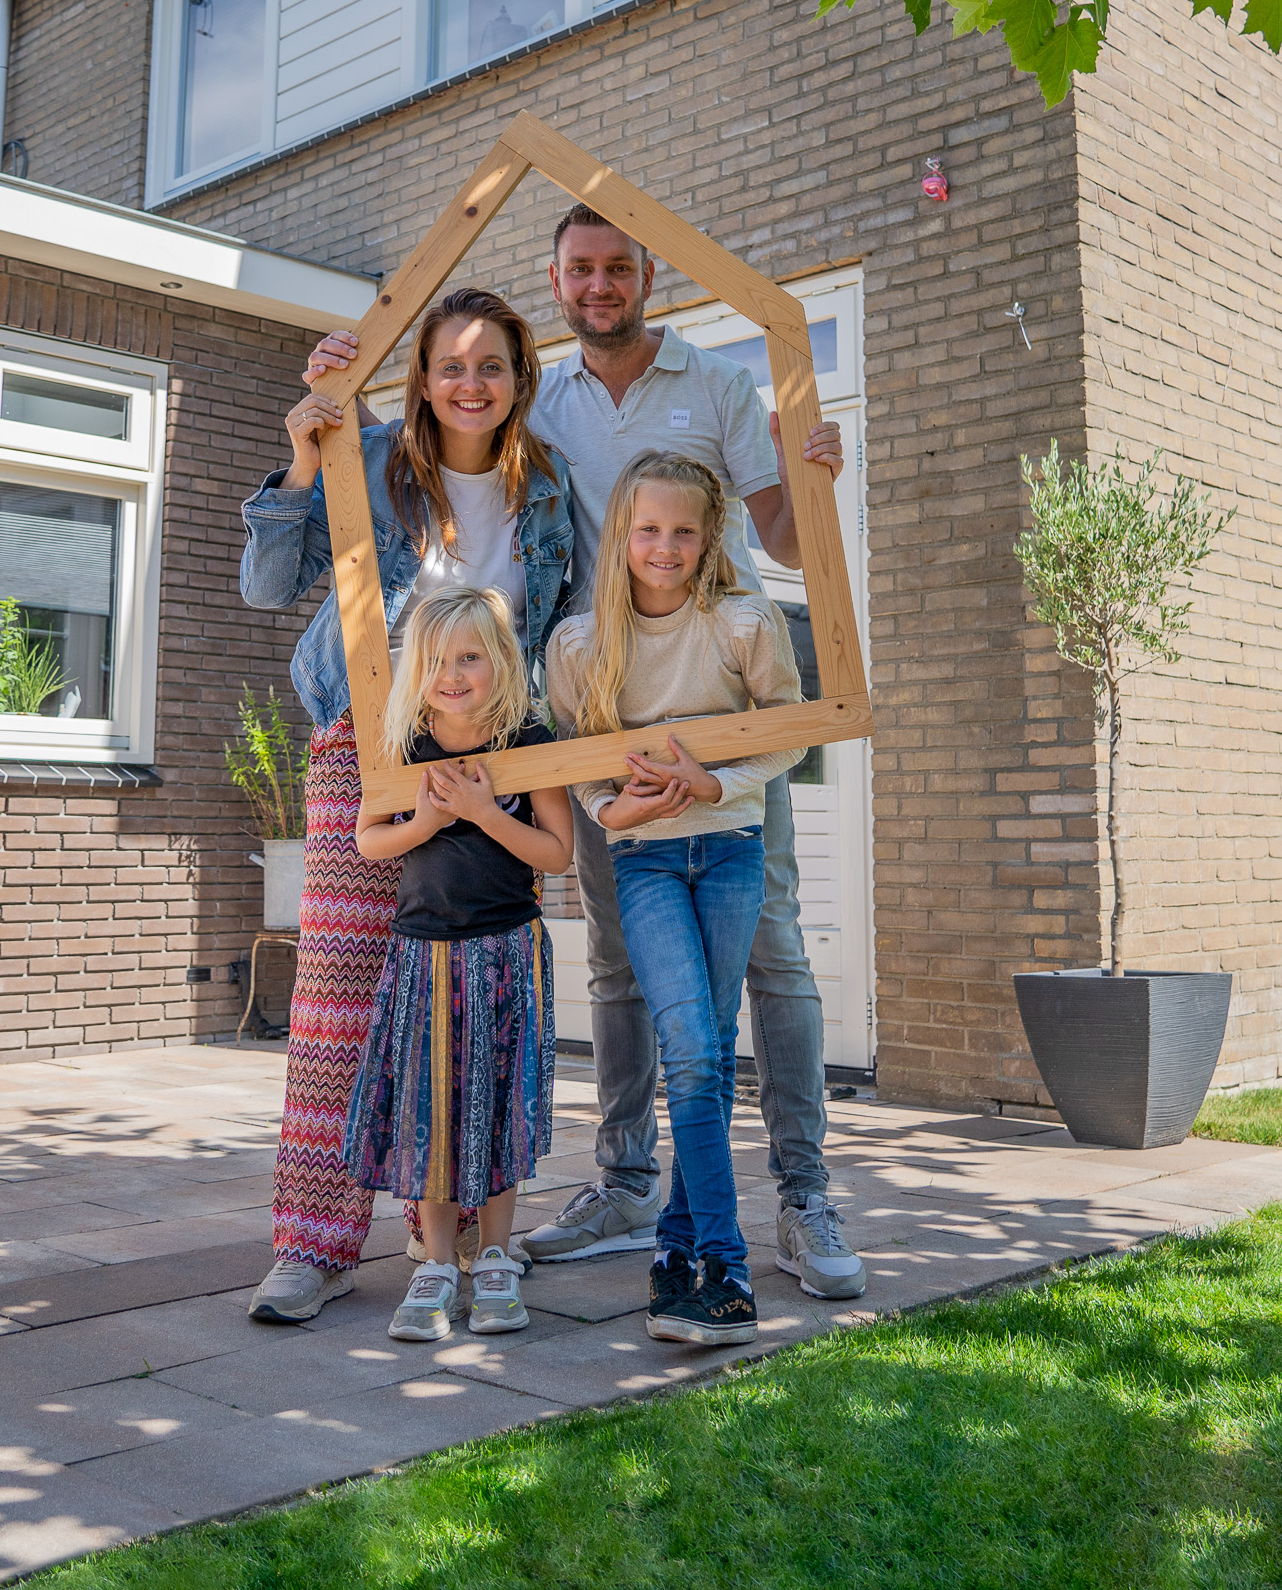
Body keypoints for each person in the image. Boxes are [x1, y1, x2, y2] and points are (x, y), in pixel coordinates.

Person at [303, 205, 865, 1305]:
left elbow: (789, 541)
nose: (599, 285)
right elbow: (433, 447)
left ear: (649, 273)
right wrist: (340, 381)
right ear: (554, 282)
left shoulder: (719, 384)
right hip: (598, 703)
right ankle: (625, 1182)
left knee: (775, 953)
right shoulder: (541, 400)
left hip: (723, 704)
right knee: (613, 959)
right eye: (579, 270)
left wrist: (817, 476)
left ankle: (803, 1193)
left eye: (617, 267)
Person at [239, 289, 571, 1324]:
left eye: (493, 366)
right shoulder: (369, 457)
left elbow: (572, 628)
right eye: (450, 364)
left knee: (475, 997)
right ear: (421, 376)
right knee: (341, 994)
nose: (471, 384)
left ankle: (467, 1237)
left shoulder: (547, 490)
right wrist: (306, 449)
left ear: (522, 378)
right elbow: (264, 583)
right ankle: (314, 1242)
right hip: (369, 744)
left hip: (499, 759)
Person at [547, 453, 804, 1343]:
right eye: (647, 529)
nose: (664, 547)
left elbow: (788, 740)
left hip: (731, 851)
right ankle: (724, 1270)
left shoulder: (742, 624)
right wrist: (610, 810)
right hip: (645, 864)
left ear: (710, 539)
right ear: (620, 534)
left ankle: (672, 1255)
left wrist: (712, 785)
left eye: (683, 532)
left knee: (707, 1048)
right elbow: (580, 768)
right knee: (691, 1045)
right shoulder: (579, 645)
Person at [343, 586, 573, 1341]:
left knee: (501, 1105)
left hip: (506, 948)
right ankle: (437, 1264)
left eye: (469, 656)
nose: (453, 672)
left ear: (500, 660)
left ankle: (498, 1258)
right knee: (432, 1109)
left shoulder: (526, 740)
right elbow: (369, 840)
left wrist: (480, 814)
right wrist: (428, 820)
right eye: (438, 658)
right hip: (424, 952)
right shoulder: (402, 741)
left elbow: (557, 853)